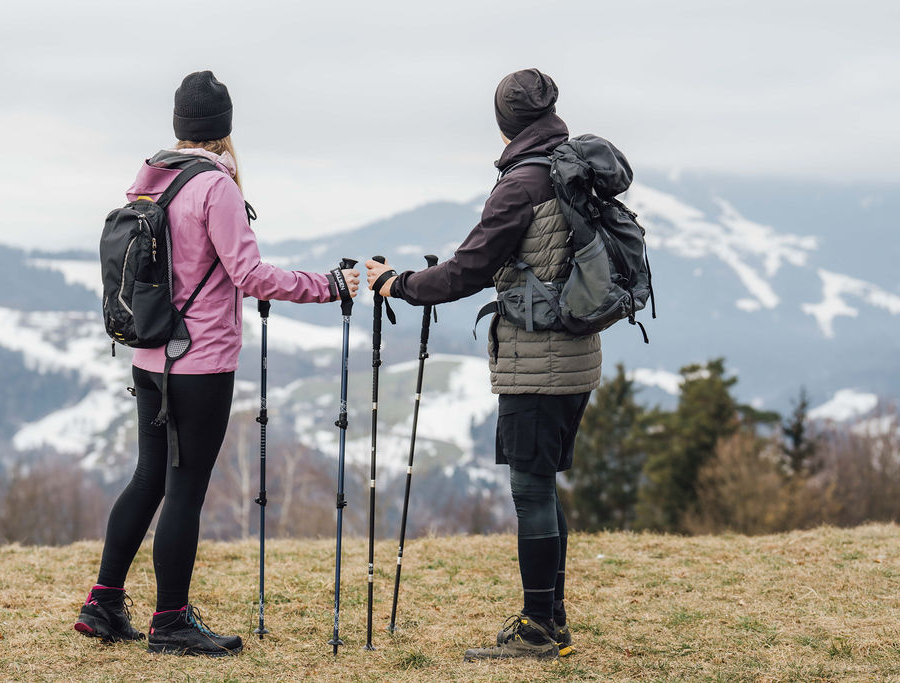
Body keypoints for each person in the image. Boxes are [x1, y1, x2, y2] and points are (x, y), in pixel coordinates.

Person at [74, 70, 360, 657]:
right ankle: (171, 621)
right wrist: (327, 285)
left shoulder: (149, 179)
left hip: (149, 356)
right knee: (184, 488)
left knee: (148, 477)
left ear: (180, 125)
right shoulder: (216, 188)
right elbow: (249, 274)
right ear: (223, 128)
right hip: (200, 364)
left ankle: (103, 602)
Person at [365, 67, 601, 661]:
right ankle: (553, 618)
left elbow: (468, 269)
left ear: (504, 124)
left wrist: (400, 284)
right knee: (542, 485)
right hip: (578, 355)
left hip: (536, 360)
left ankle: (538, 628)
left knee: (530, 489)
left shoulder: (522, 184)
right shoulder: (573, 169)